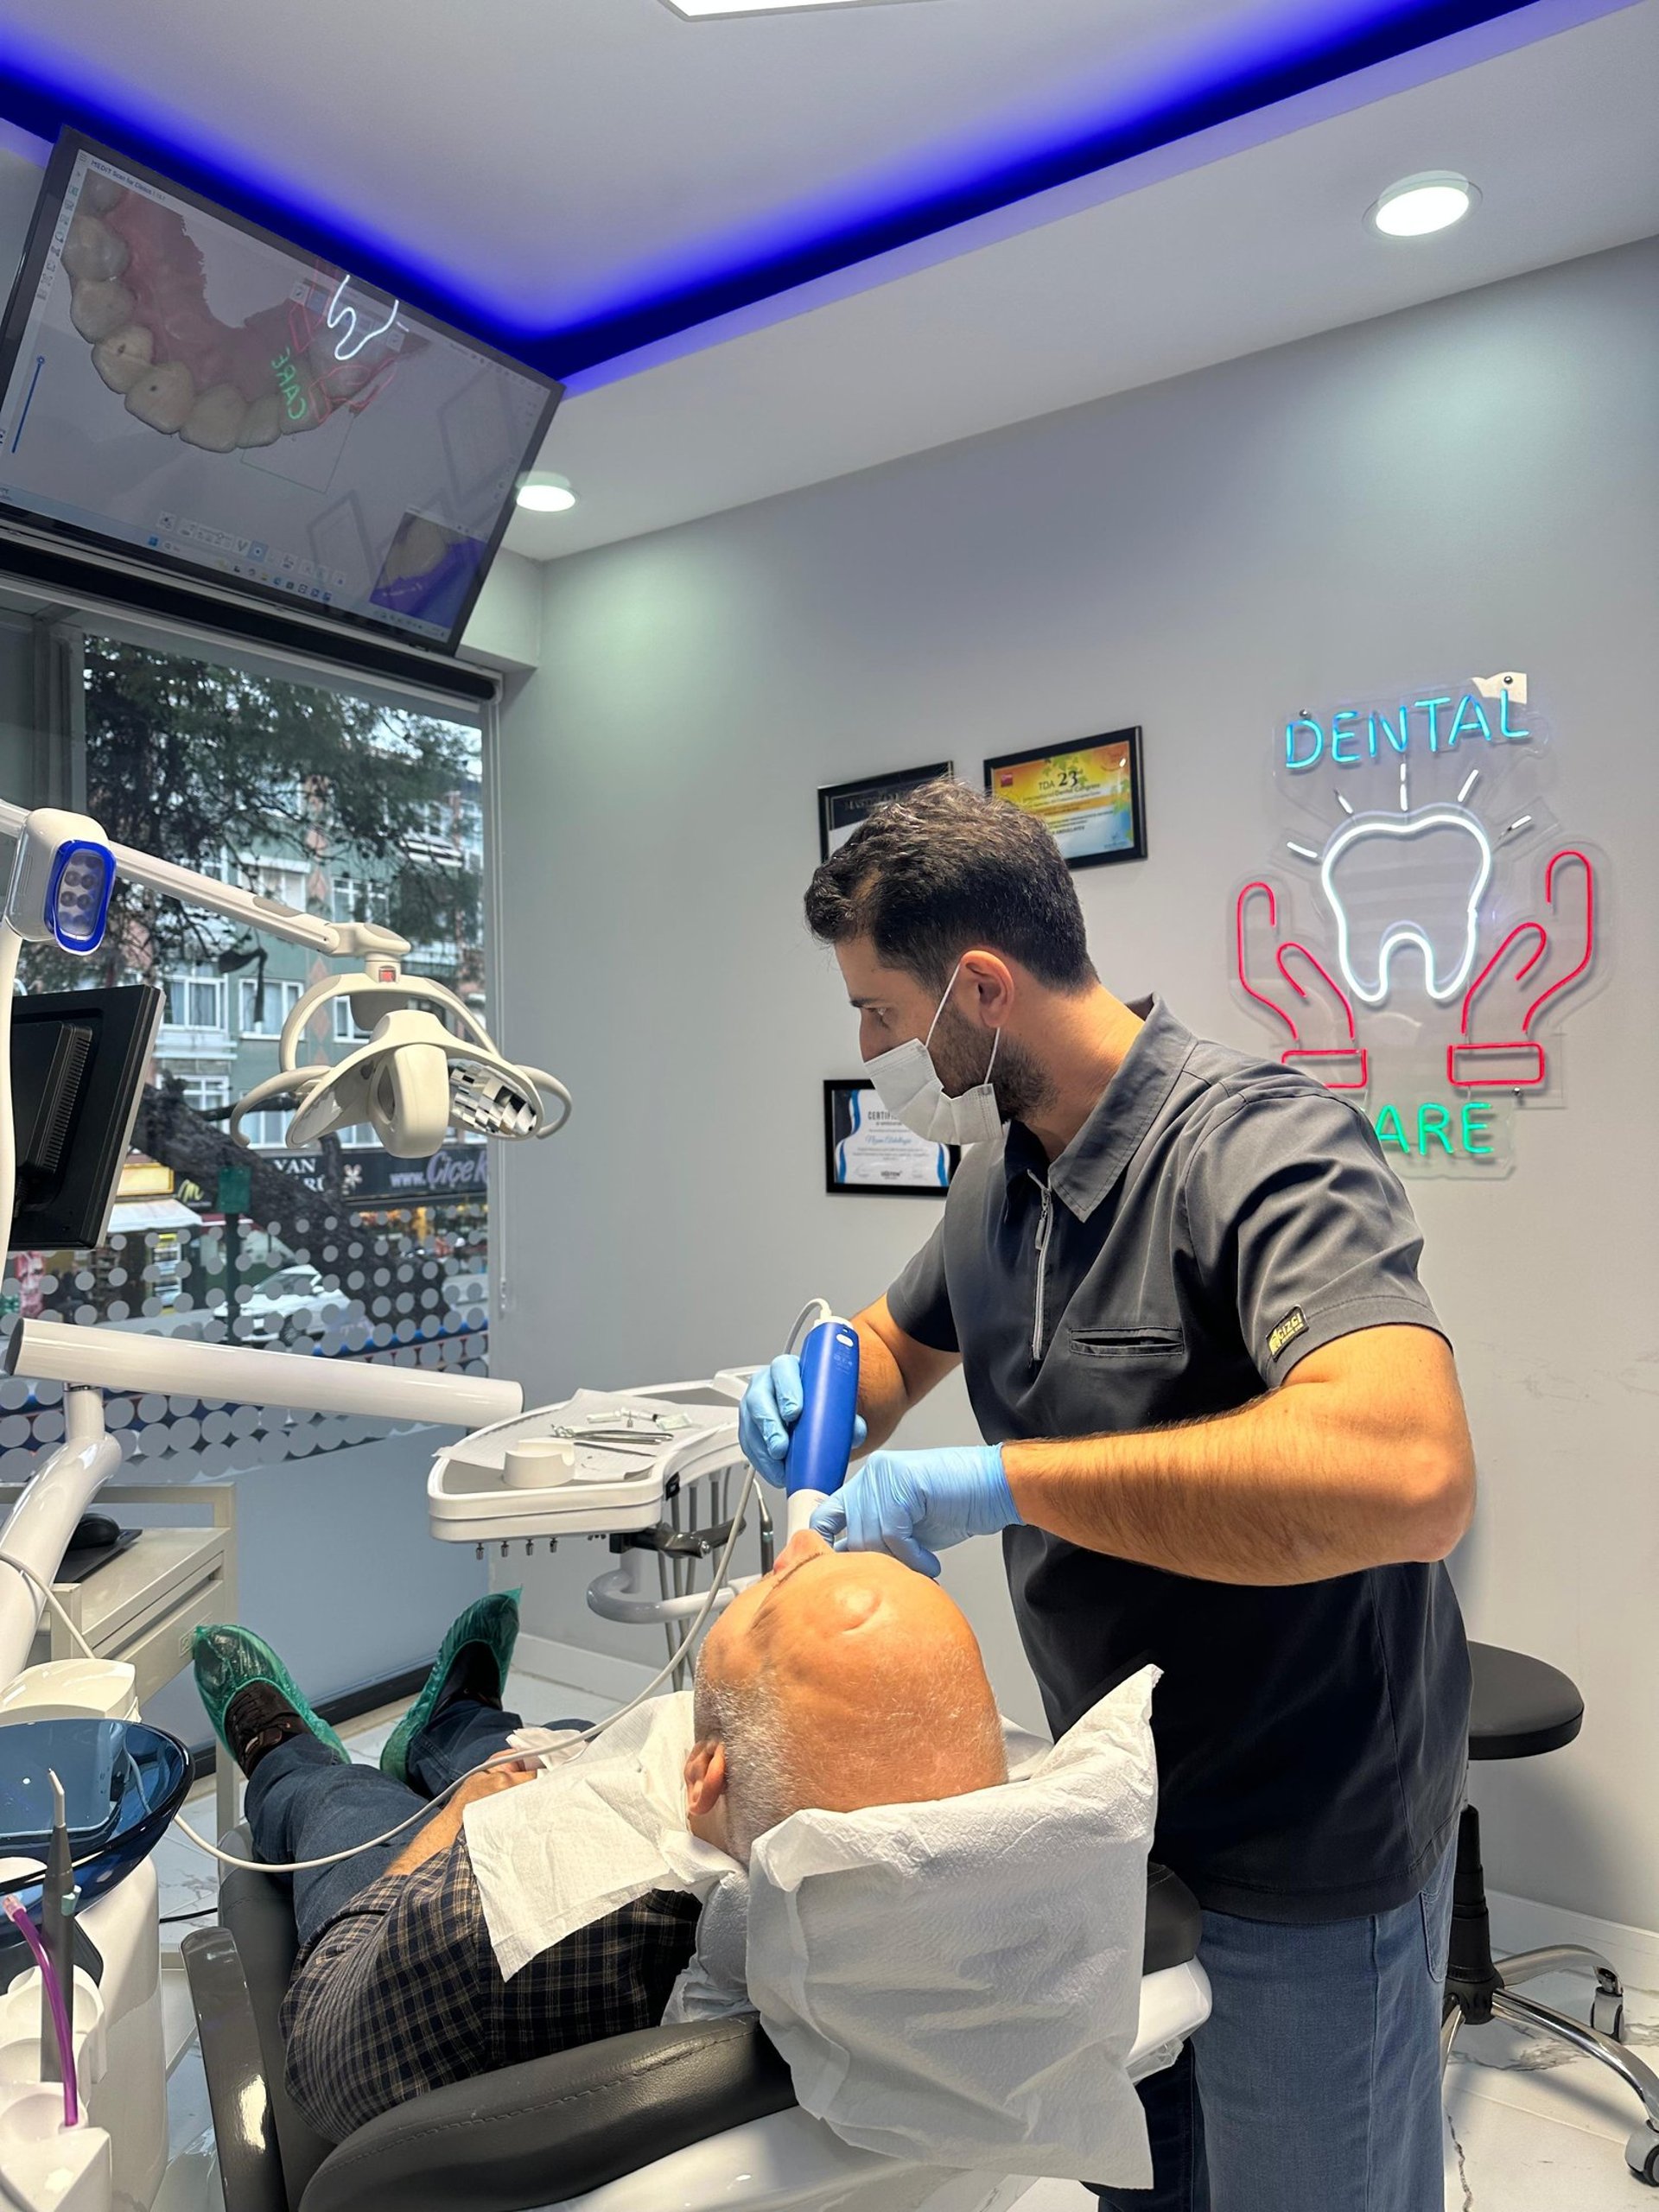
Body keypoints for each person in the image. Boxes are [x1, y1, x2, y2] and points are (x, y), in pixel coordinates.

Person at [741, 777, 1476, 2212]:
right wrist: (825, 1394)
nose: (871, 1050)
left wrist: (1003, 1482)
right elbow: (904, 1337)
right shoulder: (998, 1177)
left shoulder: (1261, 1148)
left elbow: (1409, 1474)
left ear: (981, 988)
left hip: (1310, 1827)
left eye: (879, 1016)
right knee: (1153, 2175)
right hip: (1113, 1814)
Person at [194, 1529, 1006, 2144]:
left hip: (382, 1964)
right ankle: (457, 1724)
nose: (800, 1543)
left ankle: (286, 1757)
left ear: (704, 1775)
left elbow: (322, 2040)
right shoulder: (972, 1940)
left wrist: (451, 1826)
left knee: (350, 1811)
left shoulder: (477, 1932)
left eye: (774, 1604)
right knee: (545, 1744)